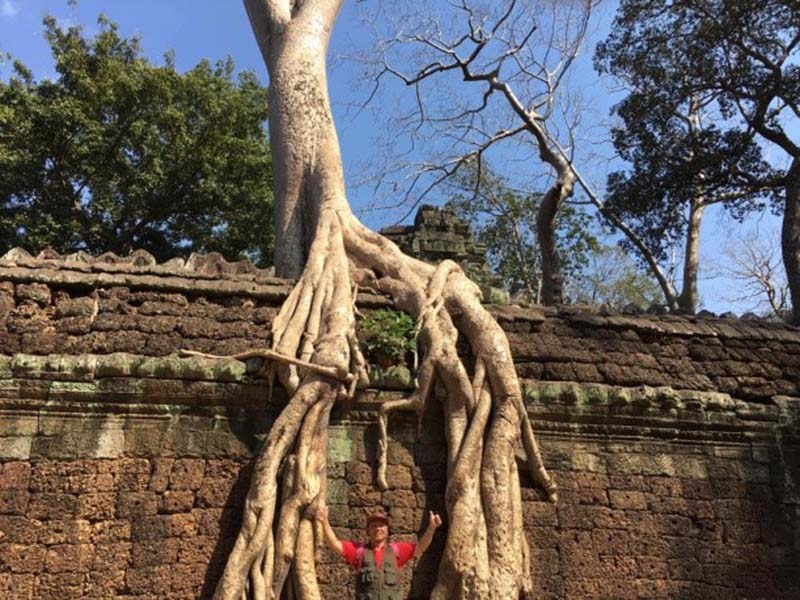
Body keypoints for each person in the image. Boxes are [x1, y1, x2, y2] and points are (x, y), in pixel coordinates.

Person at [316, 505, 442, 600]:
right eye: (374, 526)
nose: (378, 529)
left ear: (387, 530)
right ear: (368, 531)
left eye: (381, 526)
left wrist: (431, 528)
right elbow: (335, 544)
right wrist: (324, 522)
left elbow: (420, 548)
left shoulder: (396, 551)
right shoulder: (359, 552)